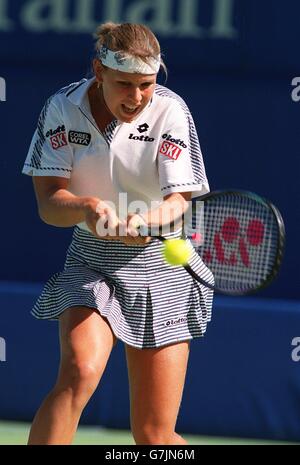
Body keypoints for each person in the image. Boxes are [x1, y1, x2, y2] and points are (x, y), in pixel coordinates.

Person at [22, 22, 214, 445]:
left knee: (153, 435)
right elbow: (49, 204)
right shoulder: (61, 107)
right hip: (91, 261)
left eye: (146, 84)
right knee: (78, 373)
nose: (137, 97)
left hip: (162, 265)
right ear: (98, 70)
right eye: (124, 84)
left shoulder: (170, 109)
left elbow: (179, 201)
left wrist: (143, 223)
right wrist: (88, 210)